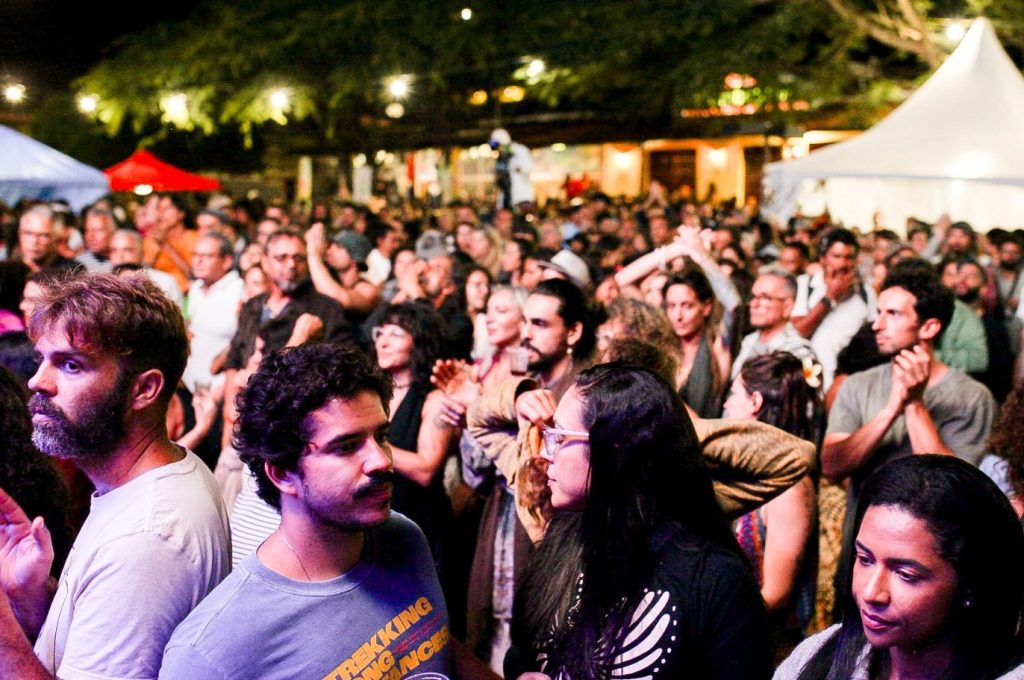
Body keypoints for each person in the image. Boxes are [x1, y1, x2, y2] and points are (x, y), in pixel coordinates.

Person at [160, 343, 457, 679]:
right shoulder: (211, 652)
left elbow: (432, 644)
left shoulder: (402, 536)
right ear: (283, 474)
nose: (381, 460)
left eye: (381, 435)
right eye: (346, 447)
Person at [0, 272, 230, 679]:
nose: (37, 382)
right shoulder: (148, 481)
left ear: (144, 389)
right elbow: (86, 639)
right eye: (42, 360)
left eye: (70, 365)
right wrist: (29, 592)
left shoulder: (147, 537)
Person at [509, 363, 772, 679]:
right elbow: (522, 653)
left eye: (560, 437)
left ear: (615, 448)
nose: (545, 452)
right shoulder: (564, 536)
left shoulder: (715, 579)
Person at [775, 455, 1024, 679]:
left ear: (970, 586)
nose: (871, 593)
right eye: (865, 559)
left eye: (906, 575)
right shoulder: (817, 656)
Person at [724, 351, 820, 655]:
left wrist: (713, 628)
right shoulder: (747, 469)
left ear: (755, 402)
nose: (725, 404)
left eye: (733, 394)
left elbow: (776, 594)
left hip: (770, 651)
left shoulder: (790, 486)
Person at [371, 303, 457, 580]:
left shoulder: (435, 398)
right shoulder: (375, 395)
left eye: (396, 334)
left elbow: (426, 469)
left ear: (419, 344)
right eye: (381, 333)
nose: (383, 342)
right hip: (382, 518)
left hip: (422, 523)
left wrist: (367, 443)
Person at [732, 269, 817, 378]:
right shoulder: (749, 341)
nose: (754, 304)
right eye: (753, 297)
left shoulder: (799, 352)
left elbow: (812, 386)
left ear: (787, 306)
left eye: (765, 298)